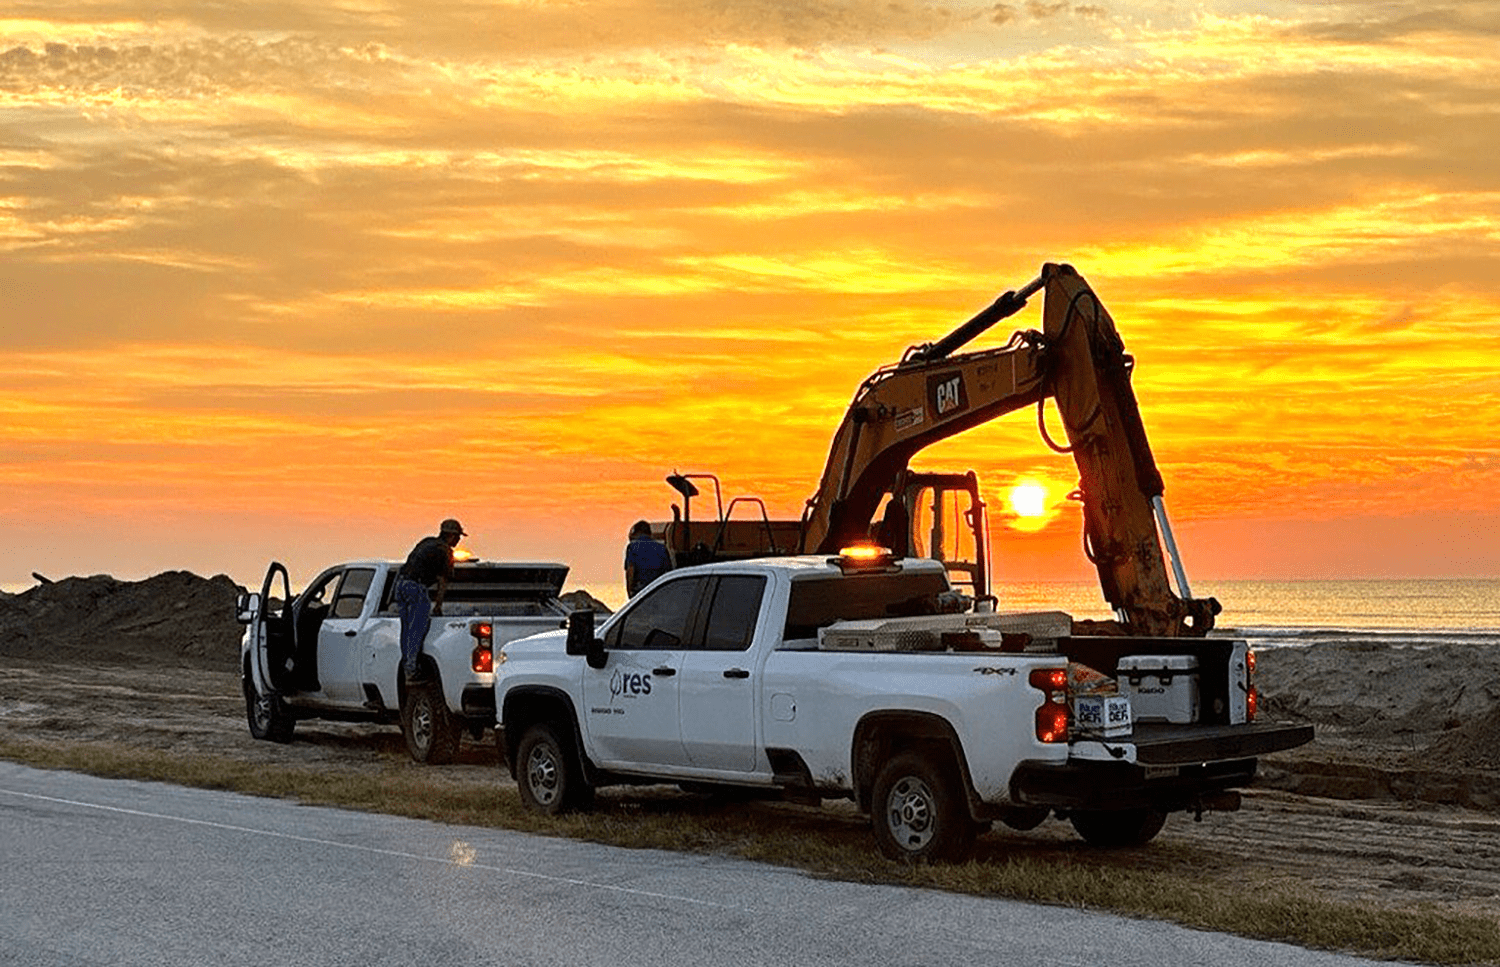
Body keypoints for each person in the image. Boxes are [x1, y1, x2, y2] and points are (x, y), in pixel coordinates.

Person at [395, 518, 465, 680]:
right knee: (417, 629)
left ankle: (407, 665)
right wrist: (438, 606)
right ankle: (412, 670)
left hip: (401, 585)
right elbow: (442, 581)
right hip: (416, 588)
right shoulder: (445, 551)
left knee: (406, 630)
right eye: (458, 536)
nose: (459, 540)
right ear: (450, 535)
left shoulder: (426, 542)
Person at [623, 519, 672, 597]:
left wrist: (630, 593)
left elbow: (630, 571)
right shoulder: (662, 548)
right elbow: (668, 571)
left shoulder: (632, 547)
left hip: (641, 591)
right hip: (658, 590)